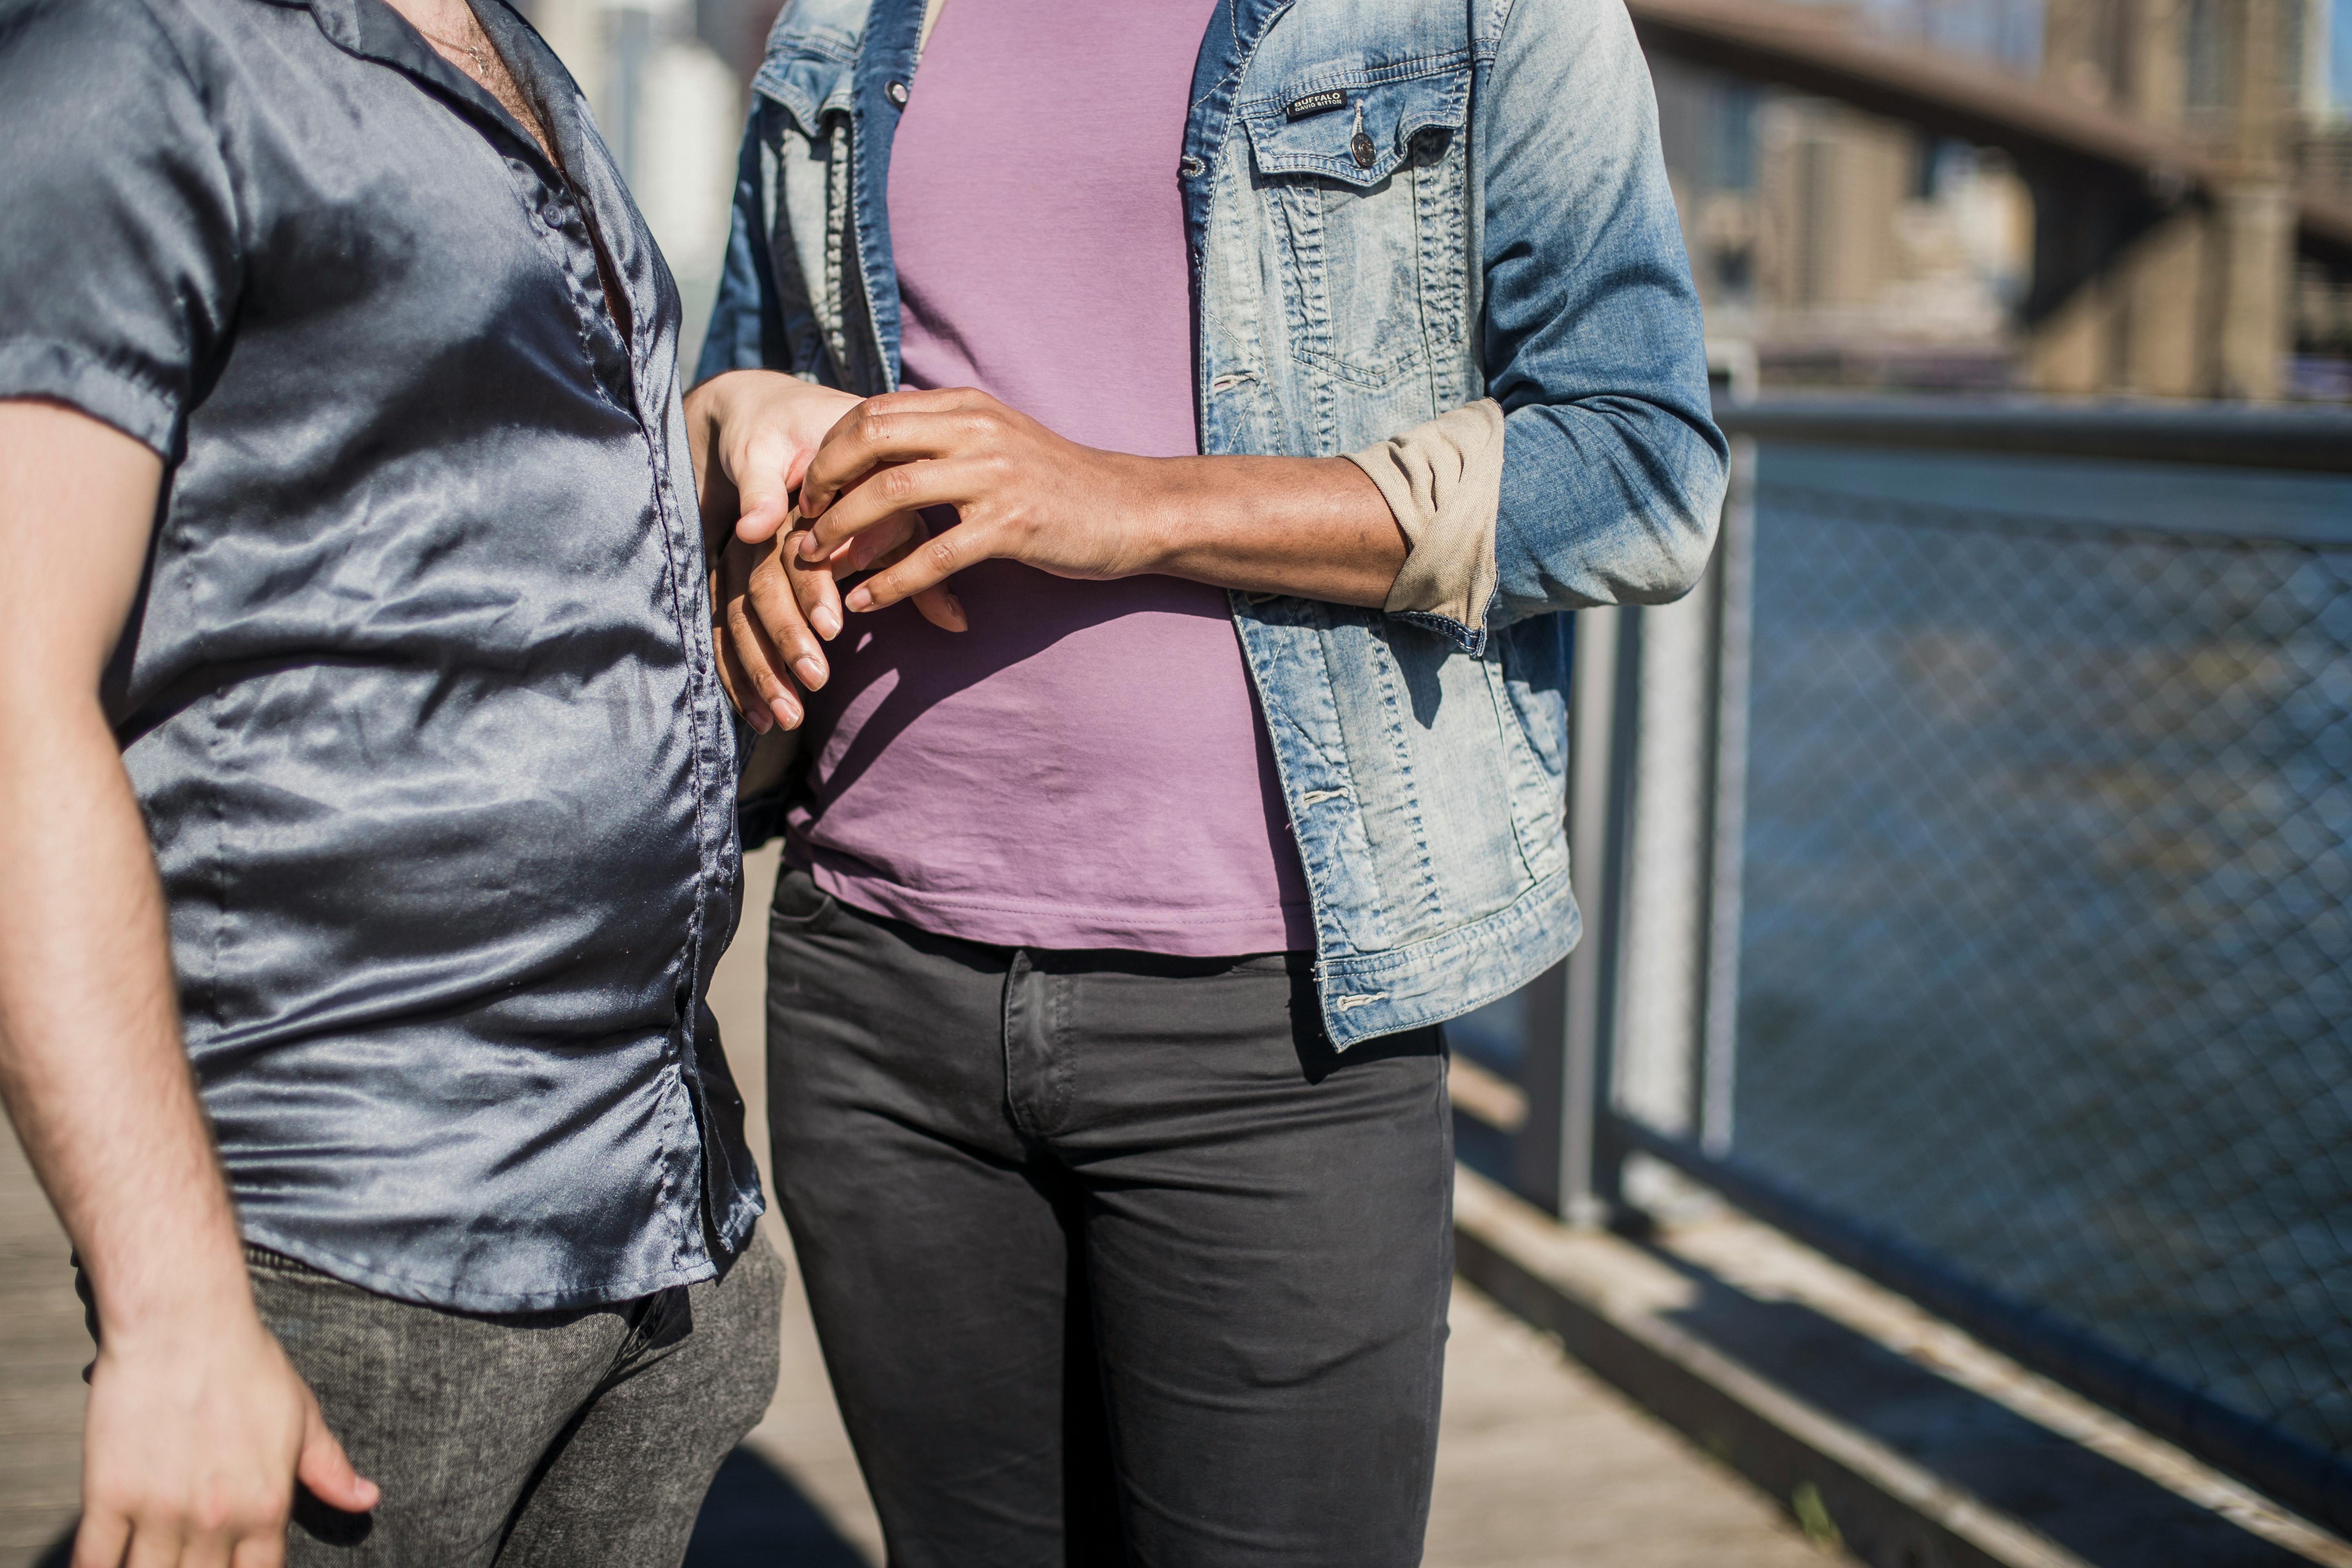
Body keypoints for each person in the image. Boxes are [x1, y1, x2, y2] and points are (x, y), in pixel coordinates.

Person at [683, 0, 1728, 1561]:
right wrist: (755, 503)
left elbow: (1644, 467)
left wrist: (1126, 503)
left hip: (1273, 1031)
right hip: (874, 995)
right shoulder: (840, 15)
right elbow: (753, 397)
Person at [0, 0, 782, 1563]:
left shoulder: (508, 51)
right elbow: (15, 698)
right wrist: (173, 1310)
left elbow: (440, 527)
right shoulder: (136, 51)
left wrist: (723, 449)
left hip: (652, 1224)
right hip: (339, 1258)